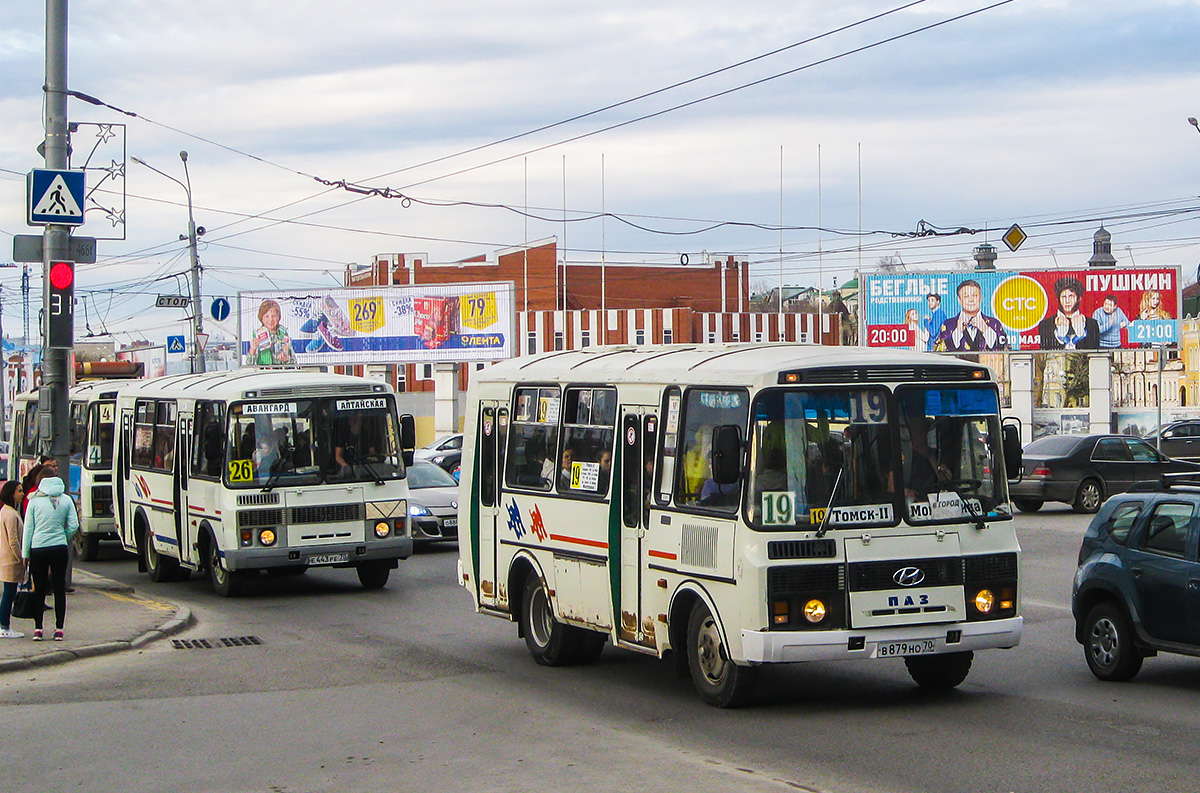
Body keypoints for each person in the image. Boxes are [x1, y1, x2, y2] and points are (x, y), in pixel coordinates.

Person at [21, 472, 78, 642]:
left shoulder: (34, 501)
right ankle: (59, 629)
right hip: (59, 548)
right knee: (59, 589)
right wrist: (63, 535)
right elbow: (74, 525)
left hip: (38, 548)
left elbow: (28, 529)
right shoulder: (67, 500)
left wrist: (25, 553)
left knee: (39, 590)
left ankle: (38, 629)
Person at [933, 280, 1009, 352]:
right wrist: (957, 332)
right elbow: (939, 351)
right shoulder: (948, 324)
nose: (971, 299)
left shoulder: (994, 324)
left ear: (980, 298)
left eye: (975, 295)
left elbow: (1005, 350)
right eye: (966, 296)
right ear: (959, 300)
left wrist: (986, 330)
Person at [1038, 276, 1099, 350]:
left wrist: (1081, 333)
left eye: (1071, 296)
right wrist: (1061, 335)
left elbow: (1094, 351)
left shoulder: (1092, 324)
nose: (1067, 301)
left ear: (1078, 298)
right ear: (1058, 299)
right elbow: (1045, 352)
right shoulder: (1045, 324)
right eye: (1063, 297)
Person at [0, 481, 26, 639]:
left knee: (8, 593)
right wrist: (21, 558)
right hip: (11, 560)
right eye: (19, 491)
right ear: (11, 494)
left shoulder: (6, 511)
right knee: (9, 594)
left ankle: (4, 624)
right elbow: (13, 540)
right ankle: (4, 625)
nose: (22, 494)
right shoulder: (10, 514)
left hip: (7, 558)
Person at [246, 298, 294, 366]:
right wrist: (253, 349)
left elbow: (294, 362)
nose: (271, 319)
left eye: (274, 316)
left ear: (278, 317)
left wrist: (287, 359)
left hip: (281, 373)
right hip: (264, 374)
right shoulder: (257, 334)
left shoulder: (283, 334)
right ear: (261, 318)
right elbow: (249, 364)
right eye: (266, 316)